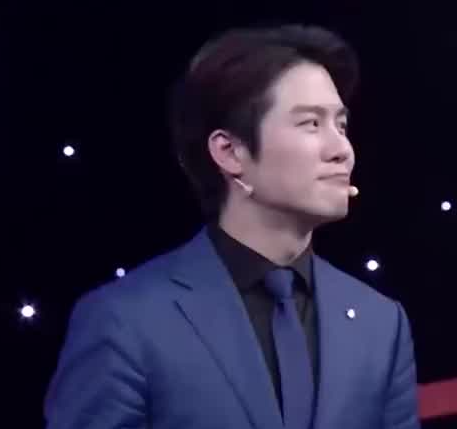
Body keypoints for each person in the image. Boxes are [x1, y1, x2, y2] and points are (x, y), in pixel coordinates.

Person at [43, 23, 420, 429]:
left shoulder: (381, 323)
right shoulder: (124, 320)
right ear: (230, 152)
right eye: (311, 124)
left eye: (341, 126)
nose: (342, 150)